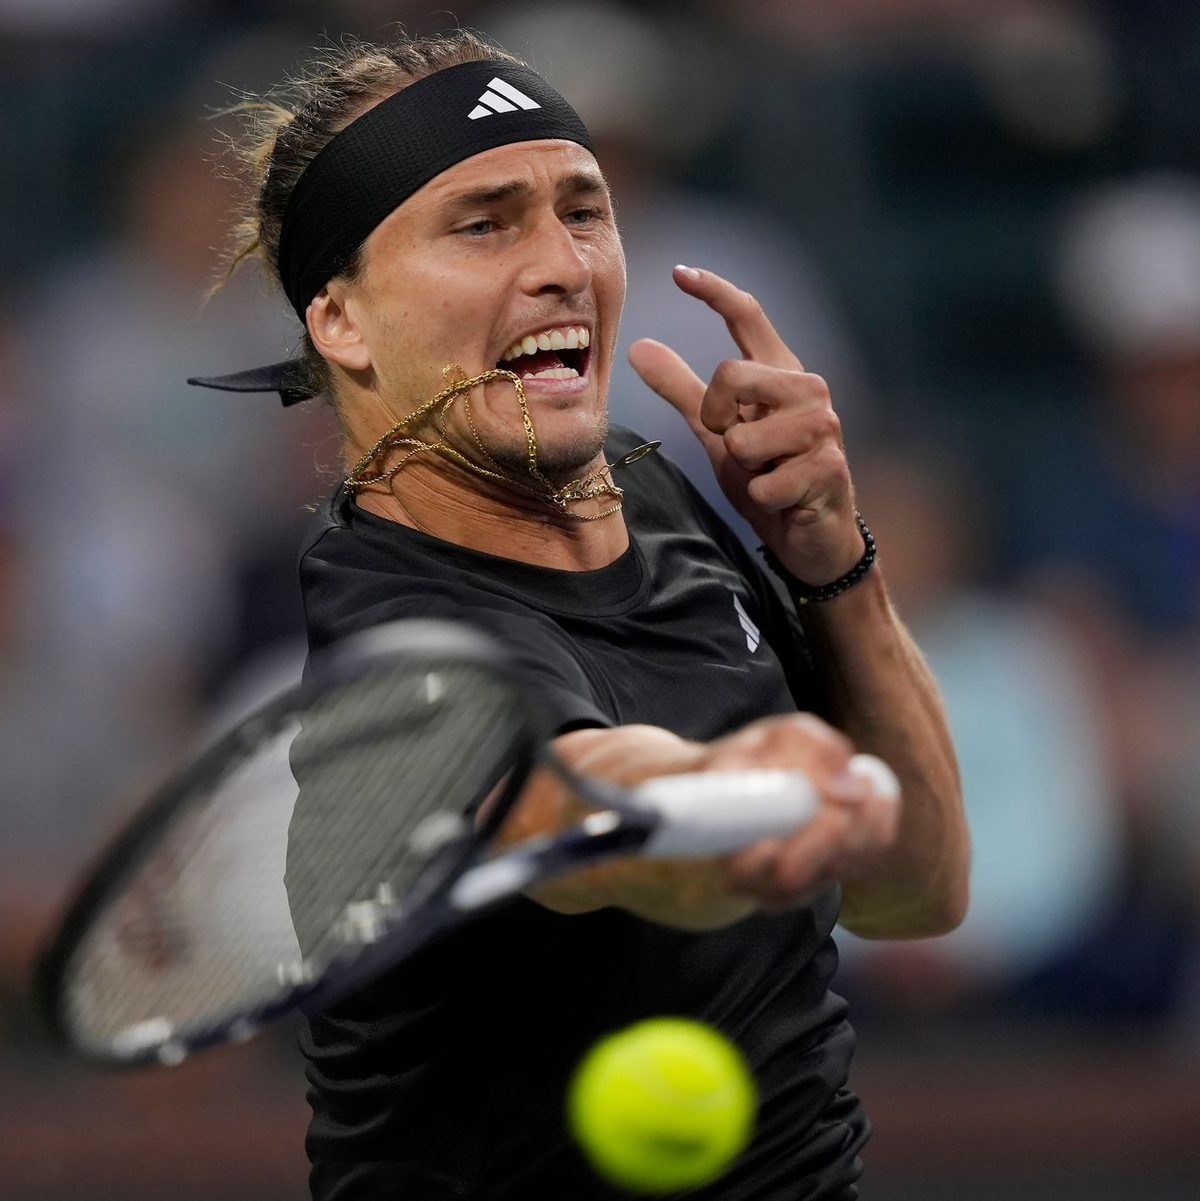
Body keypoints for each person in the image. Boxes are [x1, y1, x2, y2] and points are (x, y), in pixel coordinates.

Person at [198, 30, 968, 1201]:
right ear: (341, 320)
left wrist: (831, 561)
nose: (564, 264)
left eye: (583, 210)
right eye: (484, 222)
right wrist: (736, 787)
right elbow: (584, 812)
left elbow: (918, 888)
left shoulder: (654, 490)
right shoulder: (392, 643)